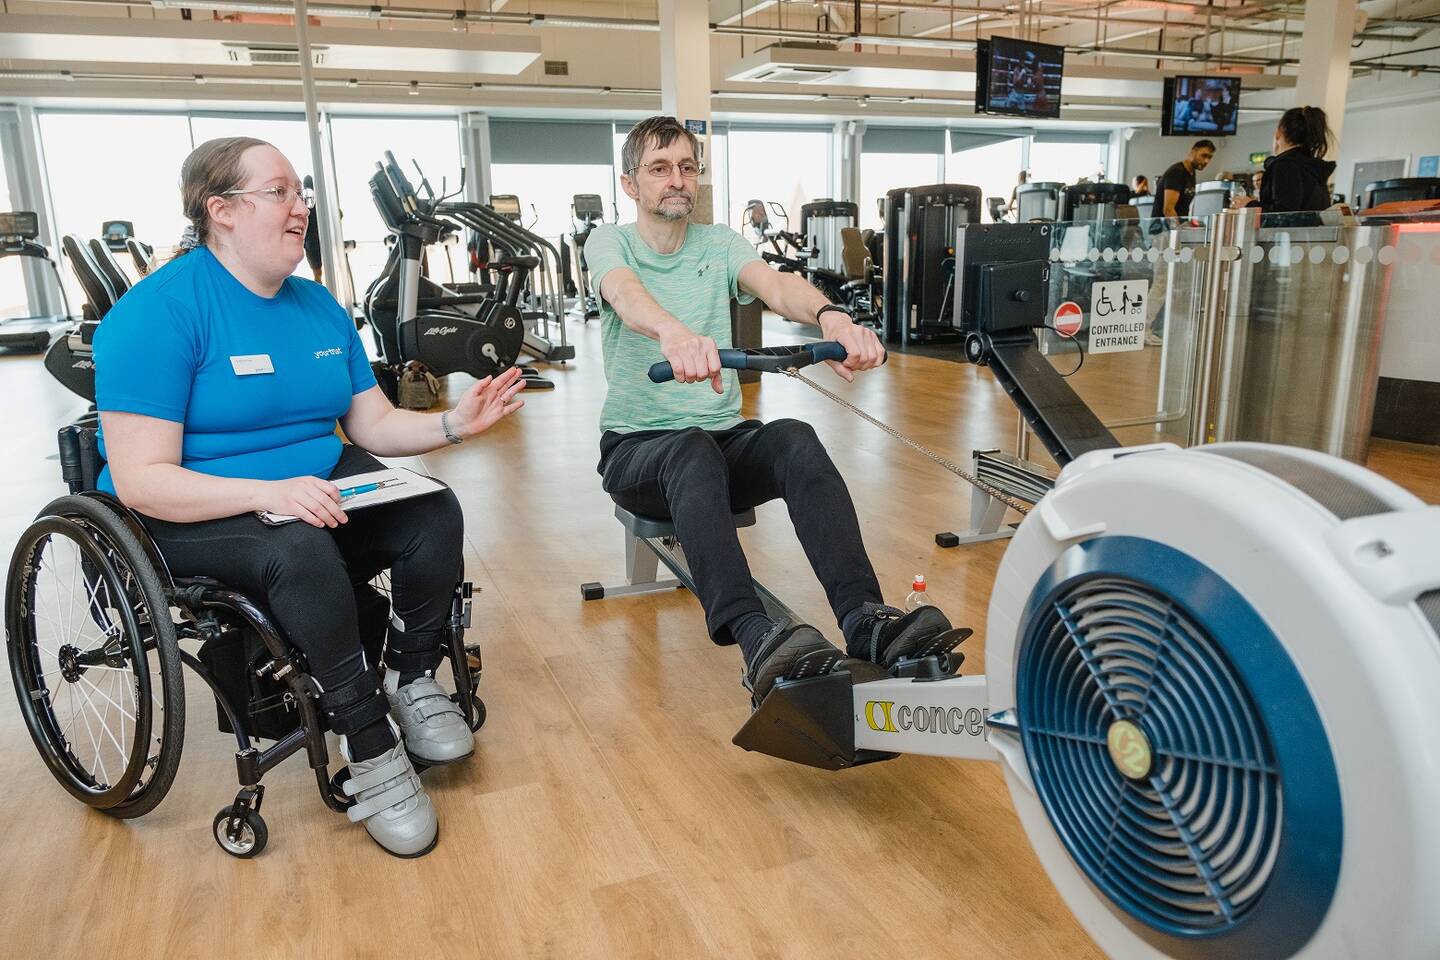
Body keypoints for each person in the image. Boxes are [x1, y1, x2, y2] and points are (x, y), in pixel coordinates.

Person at [93, 137, 525, 857]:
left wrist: (453, 423)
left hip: (310, 489)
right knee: (299, 551)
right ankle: (369, 740)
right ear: (220, 210)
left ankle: (411, 678)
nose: (301, 209)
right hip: (191, 508)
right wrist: (272, 492)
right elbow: (144, 480)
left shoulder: (319, 307)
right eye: (280, 193)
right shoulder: (157, 314)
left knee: (431, 510)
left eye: (303, 194)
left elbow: (372, 423)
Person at [585, 116, 959, 706]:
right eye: (659, 169)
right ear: (632, 184)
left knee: (792, 436)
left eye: (686, 167)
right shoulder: (611, 242)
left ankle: (865, 620)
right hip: (638, 451)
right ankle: (755, 635)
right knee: (690, 450)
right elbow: (626, 296)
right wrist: (673, 332)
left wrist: (833, 317)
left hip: (719, 442)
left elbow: (775, 284)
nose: (676, 180)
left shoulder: (719, 243)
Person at [1231, 106, 1335, 214]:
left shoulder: (1285, 165)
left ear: (1278, 134)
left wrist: (1249, 204)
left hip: (1287, 231)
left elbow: (1282, 214)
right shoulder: (1314, 168)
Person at [1159, 140, 1215, 218]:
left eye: (1209, 157)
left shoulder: (1191, 173)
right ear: (1193, 152)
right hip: (1162, 228)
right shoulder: (1177, 172)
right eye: (1204, 156)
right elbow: (1168, 210)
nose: (1206, 161)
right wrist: (1177, 229)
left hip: (1178, 226)